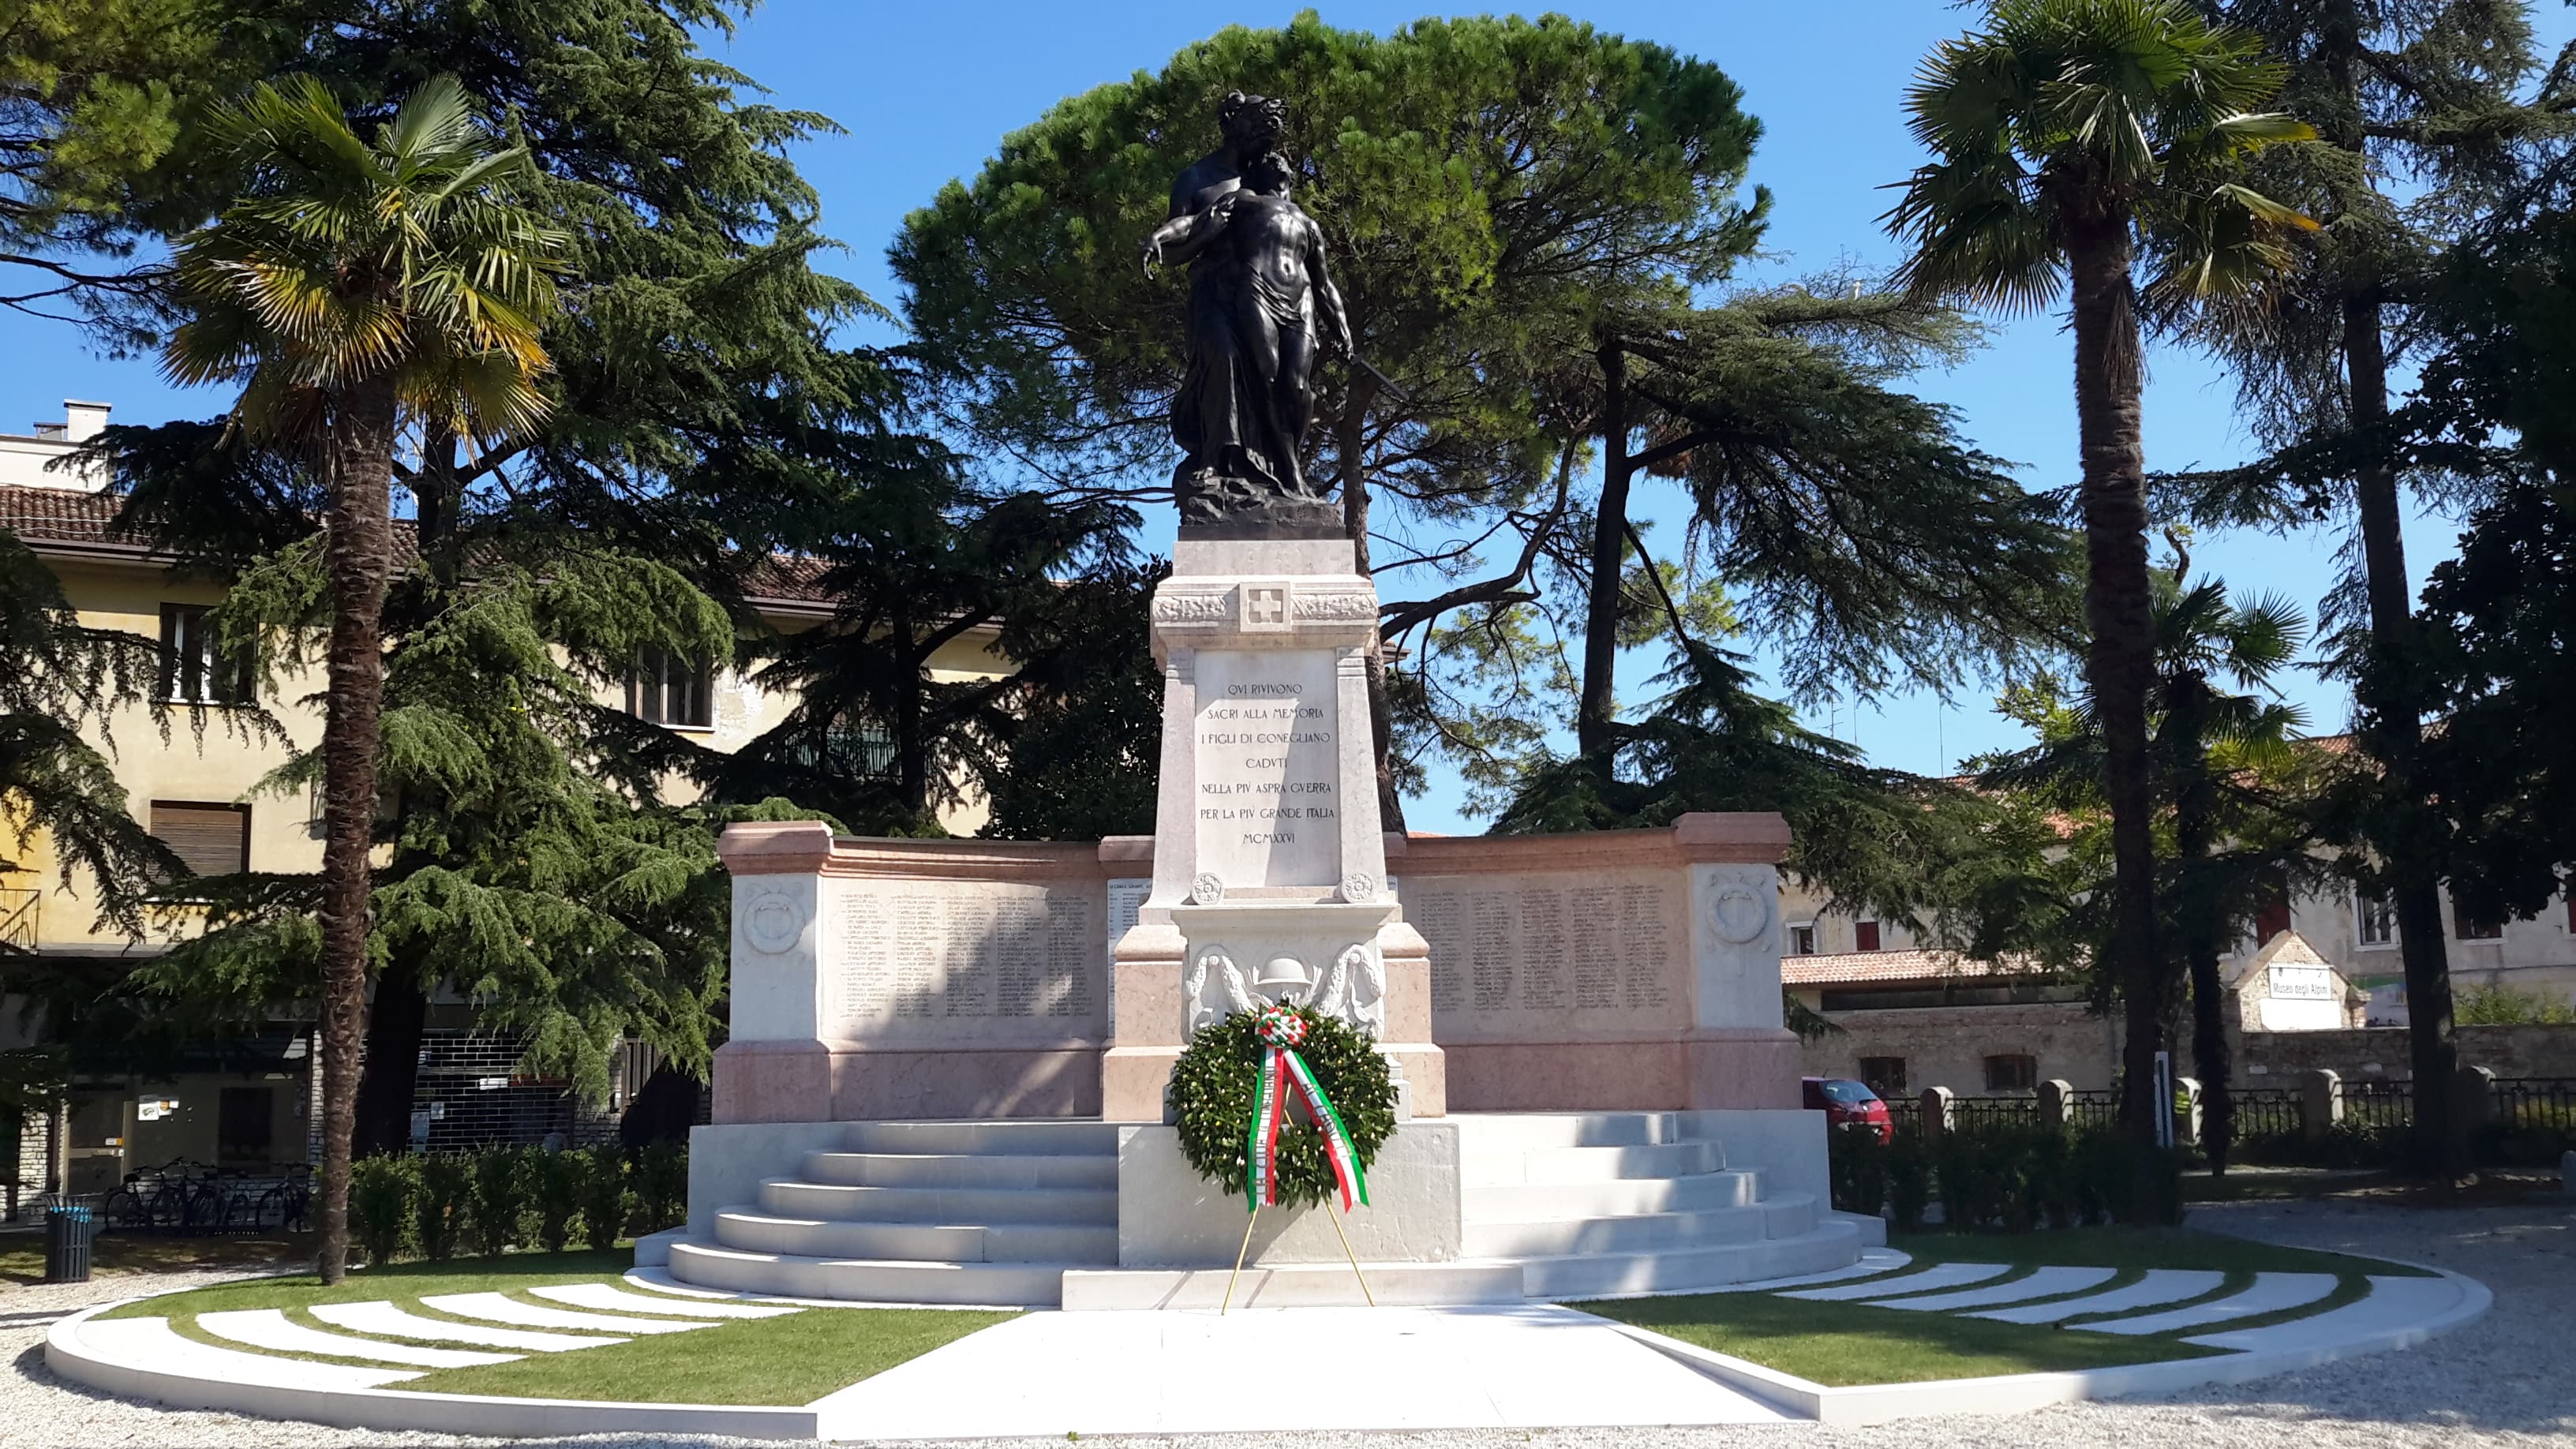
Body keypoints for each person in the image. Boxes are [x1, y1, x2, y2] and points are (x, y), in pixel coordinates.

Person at [1142, 123, 1352, 526]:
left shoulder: (1309, 223)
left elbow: (1324, 284)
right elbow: (1194, 224)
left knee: (1298, 387)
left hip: (1300, 302)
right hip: (1258, 293)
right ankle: (1286, 468)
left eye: (1282, 162)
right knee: (1267, 378)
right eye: (1271, 162)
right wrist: (1159, 236)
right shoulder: (1243, 200)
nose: (1277, 163)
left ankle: (1288, 461)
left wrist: (1341, 328)